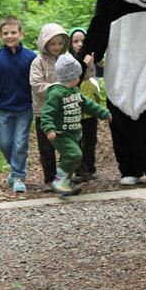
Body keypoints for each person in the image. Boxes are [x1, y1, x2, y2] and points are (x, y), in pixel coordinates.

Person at [41, 54, 112, 196]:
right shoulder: (56, 93)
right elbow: (47, 113)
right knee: (74, 154)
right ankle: (59, 181)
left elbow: (88, 105)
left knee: (74, 158)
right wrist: (49, 128)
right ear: (71, 77)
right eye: (78, 76)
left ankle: (64, 185)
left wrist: (104, 113)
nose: (79, 78)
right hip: (60, 134)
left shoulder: (74, 91)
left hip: (73, 133)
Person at [0, 16, 36, 193]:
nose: (10, 36)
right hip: (5, 108)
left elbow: (36, 83)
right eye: (6, 33)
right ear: (1, 36)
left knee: (20, 143)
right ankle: (15, 170)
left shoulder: (30, 57)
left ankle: (19, 176)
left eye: (13, 32)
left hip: (25, 108)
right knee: (4, 144)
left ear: (21, 34)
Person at [29, 23, 71, 189]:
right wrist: (57, 91)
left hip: (64, 110)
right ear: (45, 43)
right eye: (52, 44)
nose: (56, 47)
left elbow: (75, 77)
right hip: (44, 112)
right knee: (46, 147)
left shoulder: (67, 59)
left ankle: (63, 178)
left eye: (60, 43)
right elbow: (36, 84)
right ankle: (49, 179)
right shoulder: (37, 62)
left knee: (66, 145)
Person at [68, 28, 100, 183]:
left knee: (90, 139)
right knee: (76, 139)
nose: (80, 44)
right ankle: (80, 170)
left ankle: (90, 167)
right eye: (75, 41)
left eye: (83, 41)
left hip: (90, 107)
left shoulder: (93, 58)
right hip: (73, 107)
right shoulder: (67, 60)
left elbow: (93, 79)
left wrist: (91, 65)